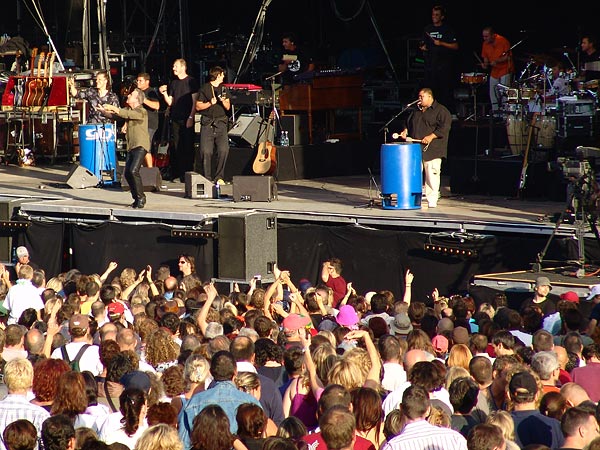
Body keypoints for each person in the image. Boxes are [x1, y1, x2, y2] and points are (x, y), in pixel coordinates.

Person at [398, 87, 451, 208]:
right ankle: (413, 198)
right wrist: (405, 131)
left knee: (432, 174)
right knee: (414, 173)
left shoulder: (441, 111)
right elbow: (407, 123)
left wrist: (431, 136)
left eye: (422, 97)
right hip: (415, 148)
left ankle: (432, 199)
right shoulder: (415, 111)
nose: (419, 99)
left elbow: (445, 127)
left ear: (429, 97)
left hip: (433, 149)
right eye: (419, 97)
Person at [98, 88, 151, 209]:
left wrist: (112, 107)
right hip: (131, 146)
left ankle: (141, 198)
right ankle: (136, 198)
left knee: (133, 170)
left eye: (131, 94)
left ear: (137, 100)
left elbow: (126, 114)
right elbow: (117, 116)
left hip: (140, 145)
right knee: (127, 173)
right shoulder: (127, 109)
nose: (128, 95)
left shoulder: (142, 111)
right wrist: (103, 112)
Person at [159, 59, 199, 182]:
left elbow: (194, 101)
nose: (173, 68)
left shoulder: (191, 81)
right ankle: (179, 173)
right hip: (175, 118)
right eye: (173, 66)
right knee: (177, 146)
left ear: (183, 67)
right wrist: (164, 94)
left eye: (176, 66)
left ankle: (189, 172)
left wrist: (191, 117)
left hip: (187, 117)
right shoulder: (174, 83)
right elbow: (170, 102)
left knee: (187, 145)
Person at [420, 5, 459, 114]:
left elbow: (455, 46)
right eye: (433, 14)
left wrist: (441, 43)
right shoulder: (427, 29)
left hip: (444, 66)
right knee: (432, 91)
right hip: (431, 66)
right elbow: (423, 44)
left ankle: (449, 114)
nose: (434, 17)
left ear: (442, 17)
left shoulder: (447, 30)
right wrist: (423, 47)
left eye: (437, 15)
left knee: (445, 92)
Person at [195, 66, 231, 183]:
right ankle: (207, 178)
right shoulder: (205, 88)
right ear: (217, 75)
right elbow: (198, 106)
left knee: (223, 150)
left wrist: (223, 101)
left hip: (221, 123)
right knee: (206, 151)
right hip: (208, 123)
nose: (224, 77)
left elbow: (228, 107)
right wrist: (210, 103)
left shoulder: (224, 88)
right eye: (222, 75)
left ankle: (219, 177)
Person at [480, 27, 514, 116]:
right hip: (494, 71)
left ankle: (505, 114)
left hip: (505, 69)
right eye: (483, 37)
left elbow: (508, 57)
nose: (485, 39)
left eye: (487, 36)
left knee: (504, 93)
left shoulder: (503, 41)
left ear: (493, 35)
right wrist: (485, 64)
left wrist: (497, 61)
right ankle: (495, 114)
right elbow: (485, 57)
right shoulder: (485, 44)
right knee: (492, 92)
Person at [135, 73, 161, 167]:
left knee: (146, 147)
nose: (138, 82)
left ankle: (150, 170)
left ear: (147, 82)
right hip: (139, 123)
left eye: (140, 81)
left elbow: (156, 106)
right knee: (139, 148)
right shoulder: (136, 92)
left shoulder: (151, 92)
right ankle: (143, 168)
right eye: (137, 80)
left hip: (149, 124)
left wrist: (144, 100)